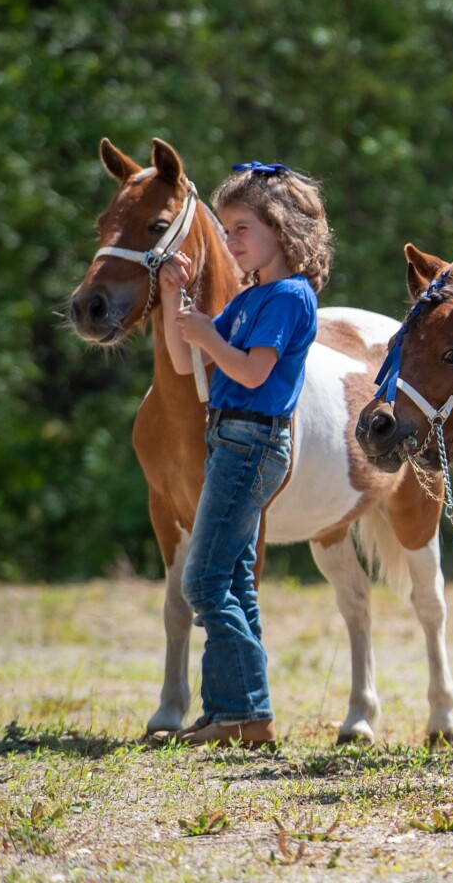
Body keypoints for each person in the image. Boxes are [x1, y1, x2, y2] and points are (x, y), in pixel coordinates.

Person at [152, 161, 334, 748]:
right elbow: (187, 364)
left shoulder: (287, 297)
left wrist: (207, 335)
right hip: (231, 436)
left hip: (253, 440)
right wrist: (175, 296)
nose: (228, 242)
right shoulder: (253, 296)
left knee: (202, 583)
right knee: (233, 580)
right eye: (226, 230)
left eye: (240, 230)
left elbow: (254, 372)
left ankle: (238, 711)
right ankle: (245, 716)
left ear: (280, 230)